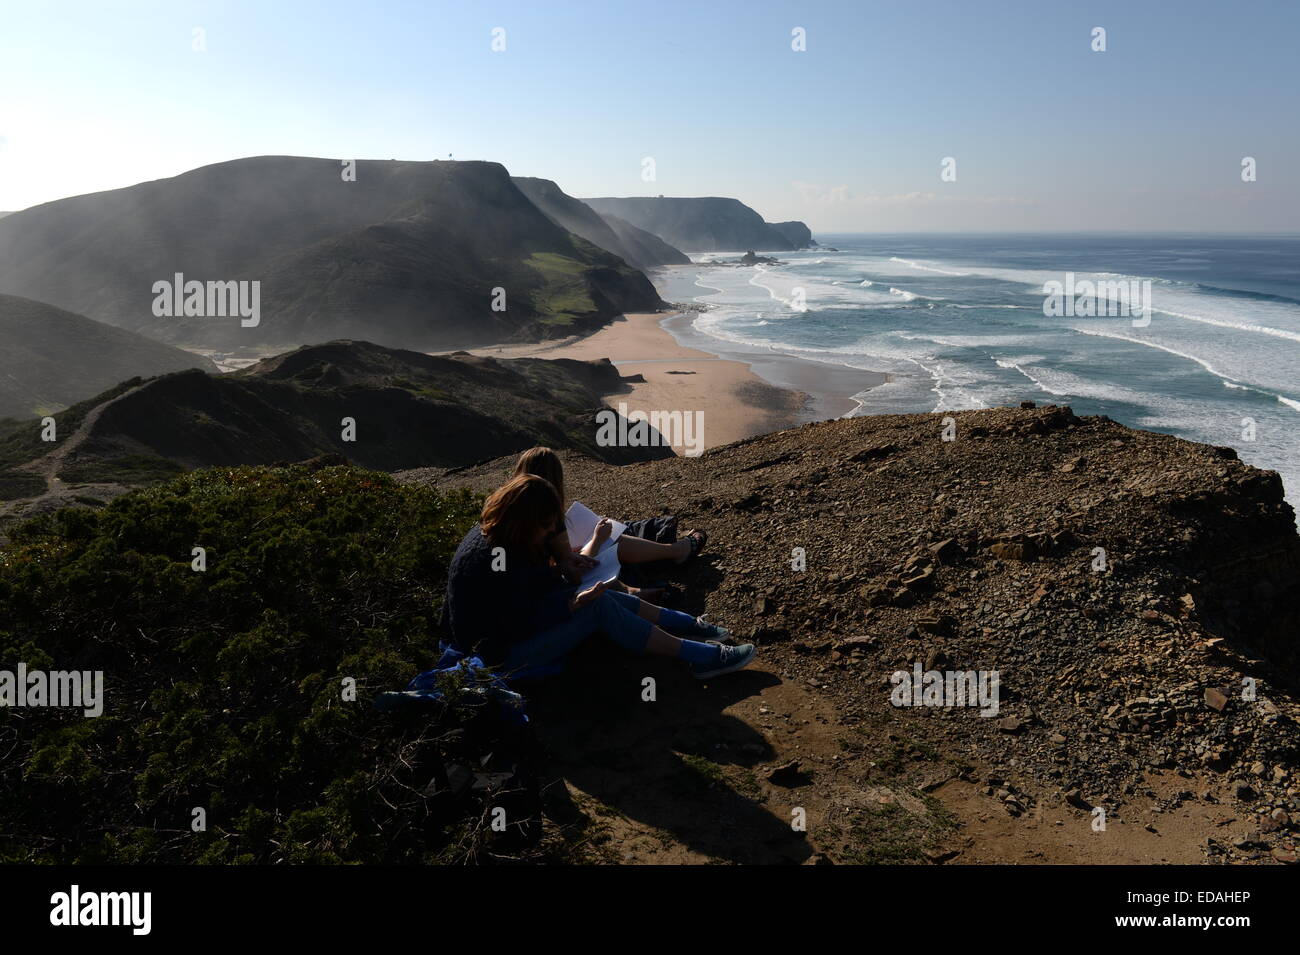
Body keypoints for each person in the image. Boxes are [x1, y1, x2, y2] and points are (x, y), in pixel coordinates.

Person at [444, 474, 754, 680]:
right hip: (502, 655)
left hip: (510, 632)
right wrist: (571, 605)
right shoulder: (497, 557)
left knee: (601, 594)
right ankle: (702, 657)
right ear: (525, 521)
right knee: (598, 607)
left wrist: (561, 576)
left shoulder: (501, 536)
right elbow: (513, 623)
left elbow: (524, 592)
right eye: (546, 526)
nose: (550, 532)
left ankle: (690, 626)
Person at [512, 447, 706, 567]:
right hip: (564, 588)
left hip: (556, 575)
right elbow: (563, 571)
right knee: (612, 540)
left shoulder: (514, 510)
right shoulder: (544, 518)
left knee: (617, 529)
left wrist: (569, 552)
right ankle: (676, 550)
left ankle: (669, 543)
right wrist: (595, 540)